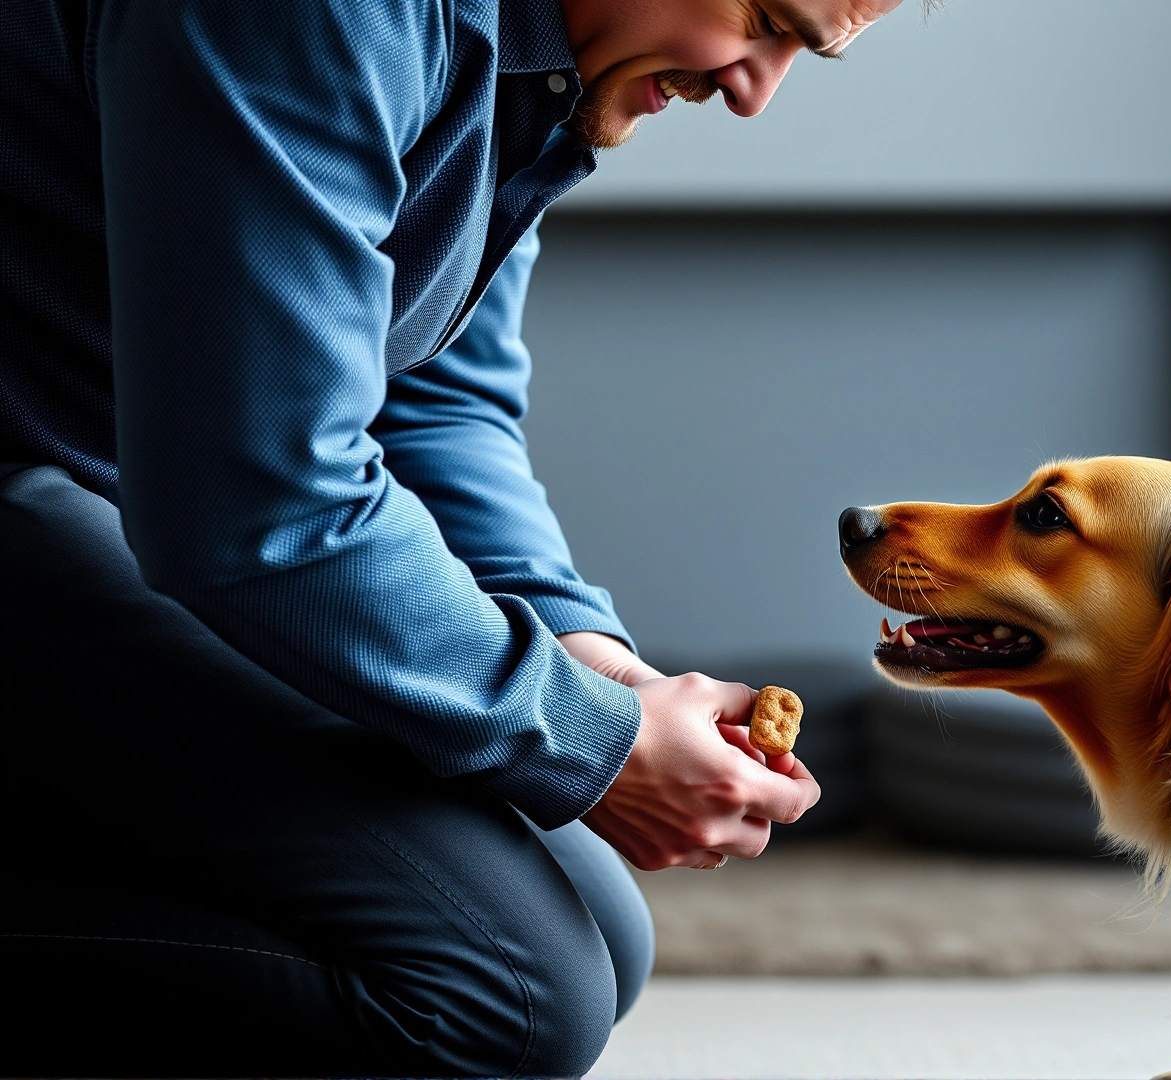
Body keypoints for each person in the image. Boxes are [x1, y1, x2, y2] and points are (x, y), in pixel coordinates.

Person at [0, 0, 902, 1073]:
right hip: (44, 474)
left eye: (813, 51)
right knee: (505, 995)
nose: (757, 90)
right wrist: (588, 743)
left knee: (598, 926)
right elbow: (265, 503)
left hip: (126, 499)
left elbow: (428, 396)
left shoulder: (541, 70)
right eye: (764, 19)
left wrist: (590, 665)